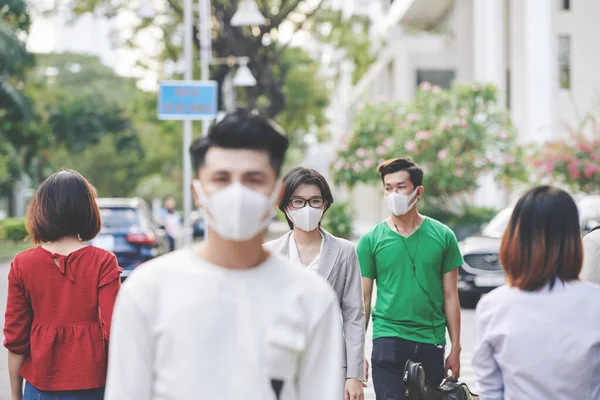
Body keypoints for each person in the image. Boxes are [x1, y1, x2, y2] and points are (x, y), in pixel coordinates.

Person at [105, 109, 344, 400]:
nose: (237, 192)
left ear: (276, 193)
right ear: (198, 192)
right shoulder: (147, 291)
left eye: (254, 179)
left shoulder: (312, 299)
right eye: (221, 178)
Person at [3, 170, 122, 400]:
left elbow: (16, 339)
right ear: (88, 210)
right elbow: (114, 331)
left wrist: (15, 395)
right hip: (94, 386)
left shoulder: (22, 264)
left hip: (40, 389)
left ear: (41, 210)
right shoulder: (103, 261)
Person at [472, 186, 600, 399]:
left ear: (514, 237)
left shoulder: (493, 306)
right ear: (573, 238)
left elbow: (490, 392)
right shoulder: (595, 302)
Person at [357, 158, 463, 399]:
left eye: (401, 187)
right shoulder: (370, 240)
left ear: (418, 191)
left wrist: (455, 348)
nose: (393, 193)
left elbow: (450, 295)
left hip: (431, 340)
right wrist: (357, 352)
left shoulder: (443, 236)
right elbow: (363, 300)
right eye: (388, 187)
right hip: (388, 338)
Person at [265, 167, 366, 400]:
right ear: (286, 206)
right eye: (298, 201)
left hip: (330, 364)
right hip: (278, 365)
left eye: (315, 201)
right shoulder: (269, 254)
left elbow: (354, 316)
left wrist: (354, 375)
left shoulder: (345, 251)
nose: (307, 208)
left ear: (325, 205)